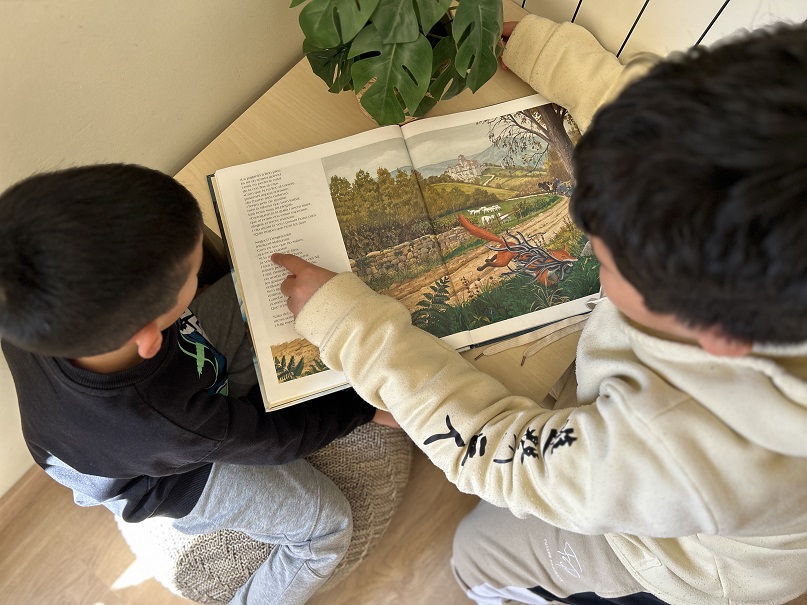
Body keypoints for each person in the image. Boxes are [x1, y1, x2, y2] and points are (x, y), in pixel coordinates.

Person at [271, 13, 807, 605]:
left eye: (610, 258)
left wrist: (350, 327)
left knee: (475, 551)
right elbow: (673, 136)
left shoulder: (680, 453)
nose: (581, 222)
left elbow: (496, 455)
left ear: (717, 331)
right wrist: (551, 55)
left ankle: (518, 594)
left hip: (675, 555)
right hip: (663, 444)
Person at [0, 163, 397, 605]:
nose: (199, 277)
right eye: (193, 276)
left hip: (126, 415)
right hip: (157, 478)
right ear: (149, 335)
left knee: (257, 289)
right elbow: (276, 439)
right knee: (328, 527)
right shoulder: (168, 420)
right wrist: (361, 408)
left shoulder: (20, 296)